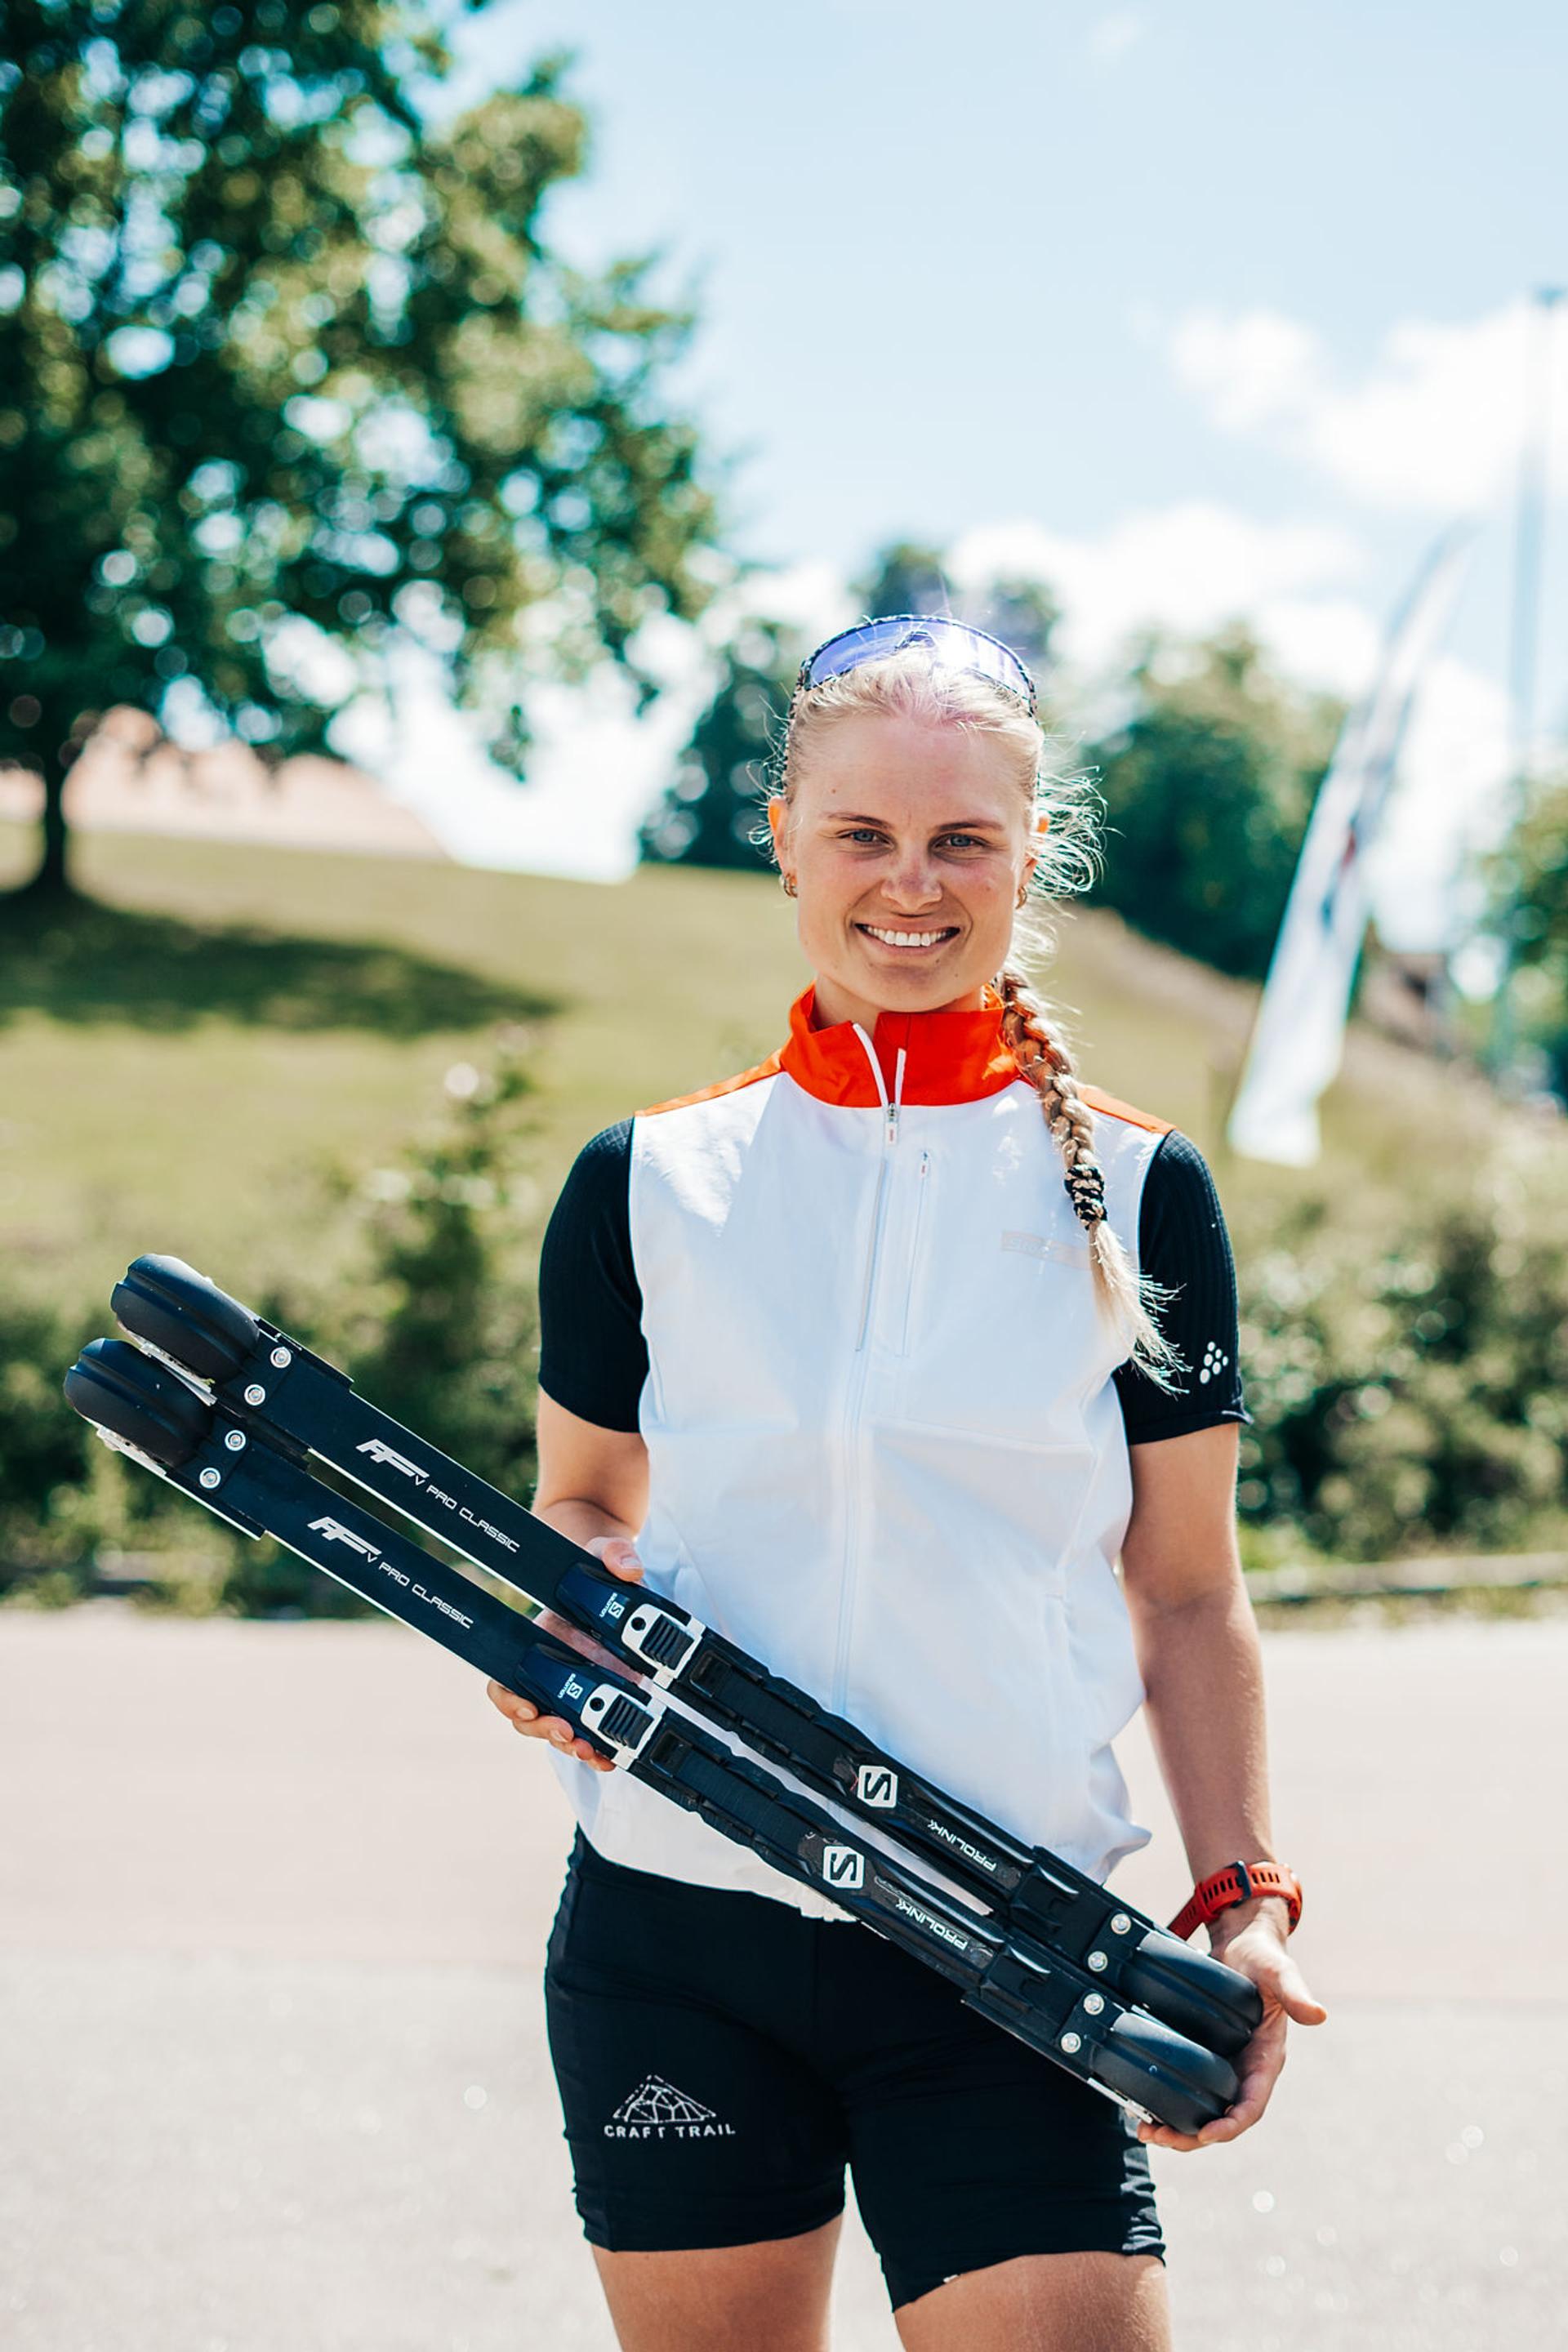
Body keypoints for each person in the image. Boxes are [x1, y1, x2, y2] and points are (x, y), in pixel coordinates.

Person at [486, 615, 1327, 2352]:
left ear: (1031, 856)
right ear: (786, 840)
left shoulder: (1145, 1193)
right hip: (678, 1929)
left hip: (1008, 1945)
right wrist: (554, 1625)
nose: (911, 885)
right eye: (862, 832)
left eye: (963, 839)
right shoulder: (644, 1181)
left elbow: (1187, 1588)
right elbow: (584, 1505)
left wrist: (1244, 1902)